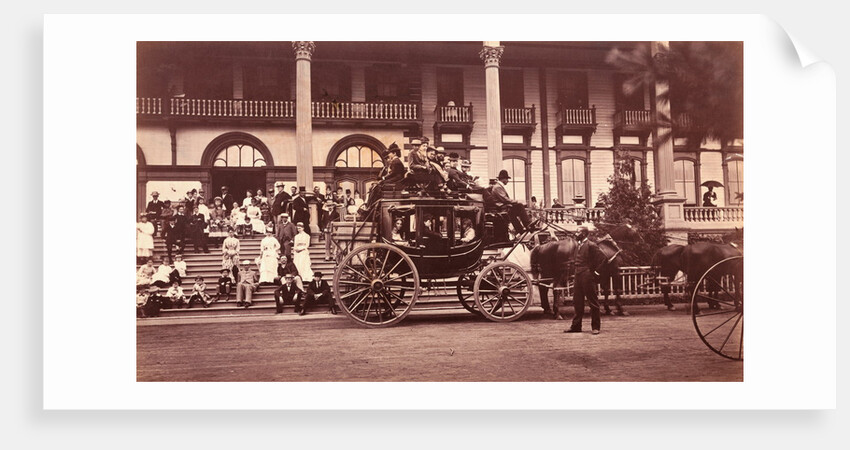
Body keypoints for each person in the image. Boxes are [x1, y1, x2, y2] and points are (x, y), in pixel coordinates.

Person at [564, 224, 606, 335]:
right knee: (577, 302)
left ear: (583, 234)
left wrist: (596, 272)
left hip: (587, 275)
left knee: (593, 302)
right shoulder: (578, 246)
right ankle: (576, 327)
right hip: (578, 275)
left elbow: (603, 259)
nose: (575, 234)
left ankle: (595, 327)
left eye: (578, 232)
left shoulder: (591, 245)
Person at [490, 169, 534, 235]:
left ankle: (521, 230)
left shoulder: (498, 187)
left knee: (514, 213)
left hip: (503, 207)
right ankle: (528, 225)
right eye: (507, 179)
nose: (507, 181)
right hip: (501, 208)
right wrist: (516, 201)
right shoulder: (497, 187)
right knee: (520, 206)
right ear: (503, 179)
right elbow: (505, 199)